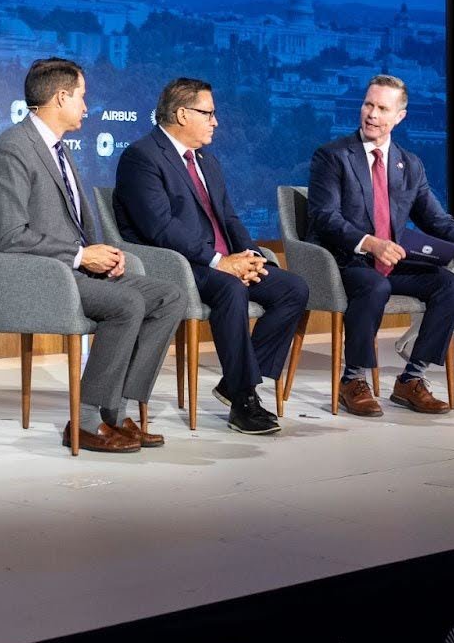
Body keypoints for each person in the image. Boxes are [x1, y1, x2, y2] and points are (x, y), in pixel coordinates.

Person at [0, 58, 188, 454]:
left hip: (75, 271)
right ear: (60, 97)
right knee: (127, 303)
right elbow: (9, 237)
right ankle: (86, 420)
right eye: (81, 96)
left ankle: (116, 408)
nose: (86, 106)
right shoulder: (12, 149)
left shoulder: (57, 148)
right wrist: (79, 257)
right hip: (42, 276)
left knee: (168, 296)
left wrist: (105, 254)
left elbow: (73, 225)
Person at [307, 74, 454, 415]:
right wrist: (370, 243)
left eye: (382, 108)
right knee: (373, 285)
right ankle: (352, 379)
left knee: (451, 286)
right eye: (367, 104)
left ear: (399, 117)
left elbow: (437, 219)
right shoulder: (333, 156)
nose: (371, 114)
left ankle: (411, 379)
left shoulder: (410, 165)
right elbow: (324, 217)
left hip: (391, 262)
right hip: (346, 262)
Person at [113, 78, 309, 434]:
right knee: (229, 288)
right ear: (182, 114)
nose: (215, 121)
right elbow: (161, 229)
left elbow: (229, 217)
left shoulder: (207, 161)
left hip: (220, 263)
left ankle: (234, 382)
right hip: (177, 266)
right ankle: (245, 400)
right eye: (209, 113)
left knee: (292, 289)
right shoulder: (141, 157)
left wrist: (251, 257)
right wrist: (220, 262)